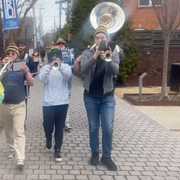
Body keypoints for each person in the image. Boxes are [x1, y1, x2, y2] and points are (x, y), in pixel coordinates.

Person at [77, 25, 120, 171]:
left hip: (107, 97)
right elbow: (82, 71)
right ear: (94, 39)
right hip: (91, 97)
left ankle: (106, 157)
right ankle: (95, 153)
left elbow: (116, 71)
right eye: (98, 37)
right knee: (93, 127)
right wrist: (94, 58)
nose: (100, 39)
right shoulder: (87, 53)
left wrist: (107, 59)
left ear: (107, 39)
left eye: (103, 37)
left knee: (108, 127)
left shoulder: (112, 52)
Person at [0, 43, 33, 169]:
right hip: (4, 105)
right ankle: (12, 150)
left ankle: (20, 159)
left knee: (19, 132)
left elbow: (31, 83)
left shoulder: (21, 65)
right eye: (8, 53)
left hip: (19, 104)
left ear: (17, 55)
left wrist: (26, 71)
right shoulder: (3, 66)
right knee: (8, 132)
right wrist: (3, 66)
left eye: (13, 53)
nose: (10, 55)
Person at [38, 48, 72, 162]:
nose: (56, 60)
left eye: (58, 58)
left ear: (61, 58)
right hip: (48, 103)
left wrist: (60, 65)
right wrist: (49, 66)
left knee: (59, 128)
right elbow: (41, 78)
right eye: (53, 58)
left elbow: (68, 76)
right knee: (47, 126)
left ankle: (57, 150)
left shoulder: (66, 66)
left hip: (63, 103)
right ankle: (48, 137)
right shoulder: (45, 68)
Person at [55, 38, 74, 132]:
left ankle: (66, 124)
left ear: (65, 45)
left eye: (62, 44)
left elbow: (73, 65)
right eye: (59, 44)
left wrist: (66, 67)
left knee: (66, 103)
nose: (60, 45)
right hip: (56, 83)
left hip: (67, 82)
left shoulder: (69, 53)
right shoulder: (53, 54)